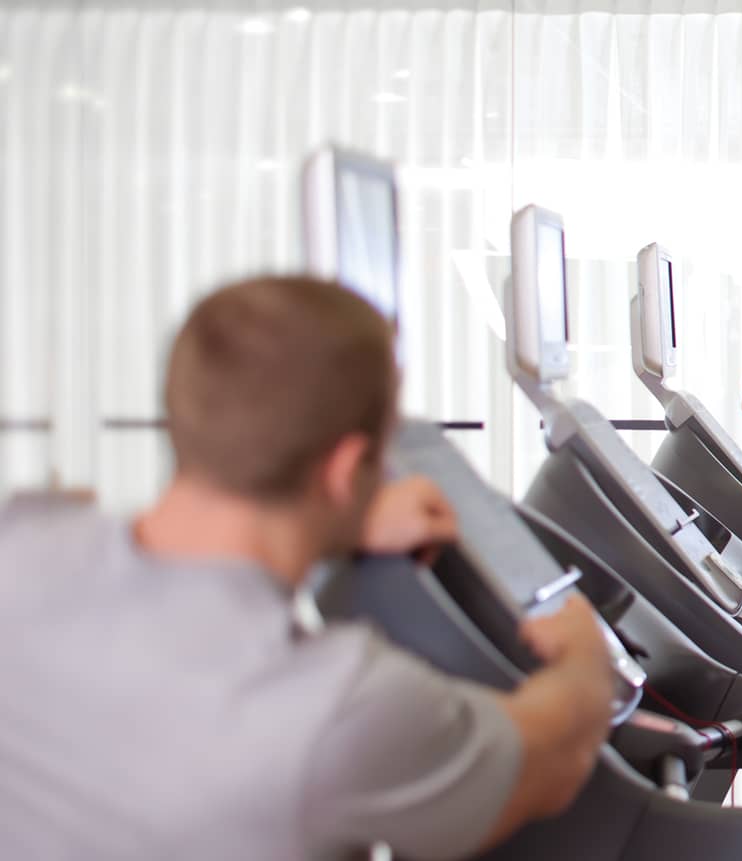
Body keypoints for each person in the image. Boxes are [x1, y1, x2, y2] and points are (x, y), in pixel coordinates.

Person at [0, 276, 616, 859]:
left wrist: (337, 522)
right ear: (346, 469)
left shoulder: (22, 548)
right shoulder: (346, 704)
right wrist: (587, 656)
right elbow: (553, 759)